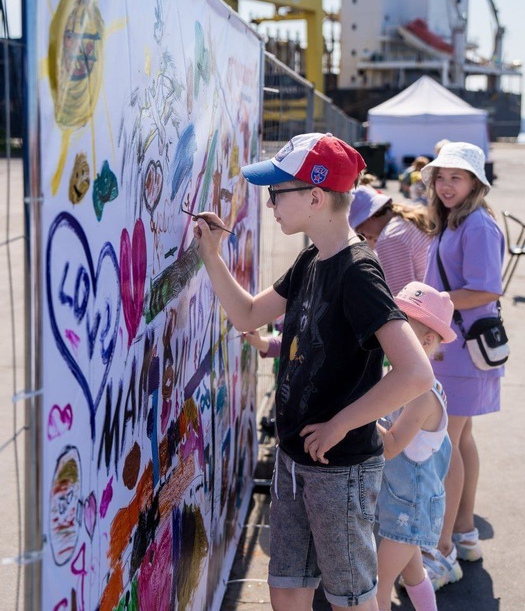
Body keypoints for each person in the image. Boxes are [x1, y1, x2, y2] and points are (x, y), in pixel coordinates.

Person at [192, 132, 433, 611]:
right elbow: (247, 316)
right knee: (286, 588)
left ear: (316, 197)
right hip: (293, 461)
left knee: (351, 598)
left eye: (277, 193)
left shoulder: (358, 272)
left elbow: (415, 373)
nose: (269, 204)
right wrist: (211, 256)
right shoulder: (310, 260)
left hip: (339, 471)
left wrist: (343, 422)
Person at [419, 142, 505, 589]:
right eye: (440, 176)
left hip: (461, 349)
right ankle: (464, 532)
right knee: (460, 437)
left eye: (456, 176)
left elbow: (487, 289)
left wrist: (431, 303)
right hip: (456, 347)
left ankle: (442, 550)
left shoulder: (477, 225)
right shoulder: (457, 221)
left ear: (475, 182)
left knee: (446, 444)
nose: (446, 184)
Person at [376, 282, 456, 611]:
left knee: (377, 585)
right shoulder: (399, 376)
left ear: (424, 343)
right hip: (399, 502)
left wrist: (356, 413)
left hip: (410, 510)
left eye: (399, 333)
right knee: (414, 575)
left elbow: (392, 445)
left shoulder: (423, 394)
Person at [349, 185, 432, 295]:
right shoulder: (404, 223)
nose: (363, 236)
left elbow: (401, 298)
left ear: (370, 218)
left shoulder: (390, 238)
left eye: (360, 231)